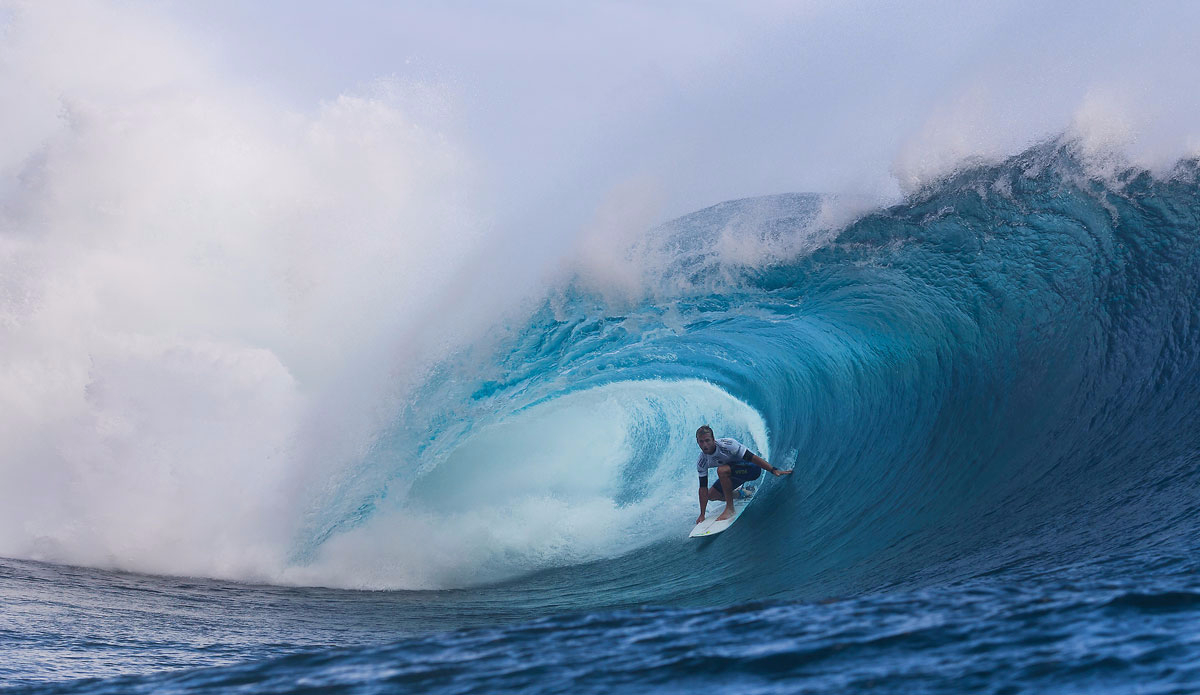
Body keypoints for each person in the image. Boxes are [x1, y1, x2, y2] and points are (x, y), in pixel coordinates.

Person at [695, 425, 792, 523]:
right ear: (698, 442)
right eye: (701, 441)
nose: (705, 445)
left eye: (707, 440)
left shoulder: (727, 445)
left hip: (752, 469)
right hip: (734, 475)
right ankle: (742, 493)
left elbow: (753, 458)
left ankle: (730, 509)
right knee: (711, 495)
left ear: (713, 439)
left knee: (722, 470)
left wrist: (773, 470)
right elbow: (703, 488)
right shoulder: (702, 461)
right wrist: (702, 514)